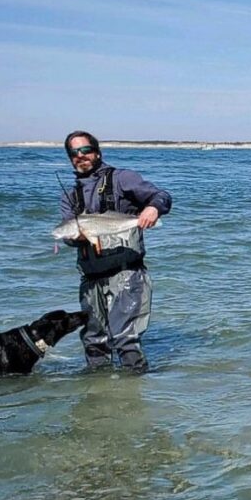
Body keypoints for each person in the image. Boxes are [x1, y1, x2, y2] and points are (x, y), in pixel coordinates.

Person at [59, 131, 172, 372]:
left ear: (97, 152)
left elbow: (162, 196)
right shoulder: (70, 196)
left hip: (126, 274)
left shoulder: (122, 178)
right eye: (74, 153)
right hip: (90, 279)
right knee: (93, 343)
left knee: (125, 339)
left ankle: (133, 400)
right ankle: (99, 401)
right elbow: (68, 235)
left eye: (85, 150)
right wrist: (75, 239)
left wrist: (153, 209)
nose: (81, 156)